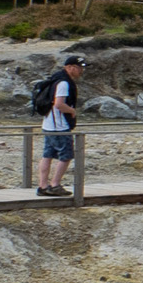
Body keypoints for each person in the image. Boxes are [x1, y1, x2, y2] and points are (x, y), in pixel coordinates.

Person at [37, 53, 85, 196]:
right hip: (59, 126)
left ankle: (43, 186)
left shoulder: (55, 79)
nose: (81, 71)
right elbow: (59, 104)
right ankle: (55, 184)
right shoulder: (64, 83)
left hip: (48, 124)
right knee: (66, 156)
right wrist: (72, 111)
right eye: (79, 68)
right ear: (69, 67)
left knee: (48, 155)